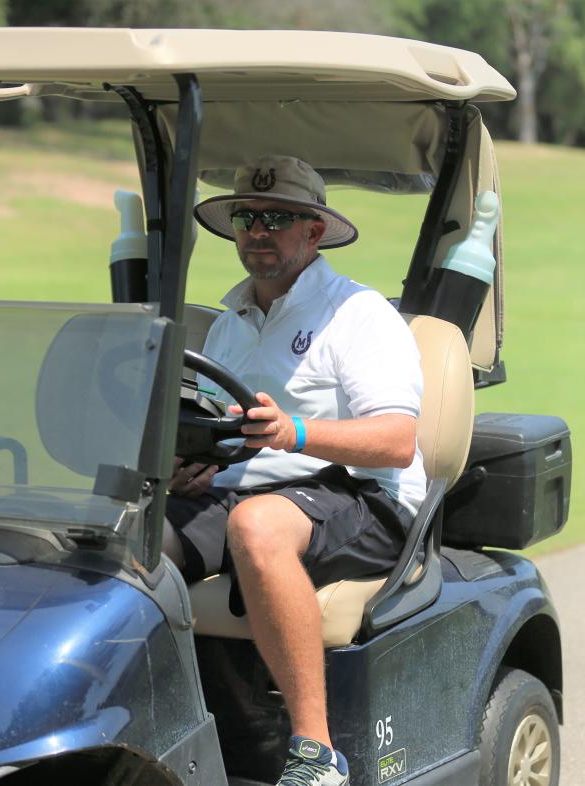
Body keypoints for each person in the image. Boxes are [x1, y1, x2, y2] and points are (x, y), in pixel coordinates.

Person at [164, 155, 426, 786]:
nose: (257, 229)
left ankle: (316, 754)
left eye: (276, 217)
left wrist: (295, 432)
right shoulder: (229, 324)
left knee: (257, 527)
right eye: (247, 217)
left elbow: (396, 441)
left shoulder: (358, 314)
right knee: (128, 535)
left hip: (364, 494)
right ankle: (151, 719)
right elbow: (222, 429)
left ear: (313, 231)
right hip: (247, 490)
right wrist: (193, 465)